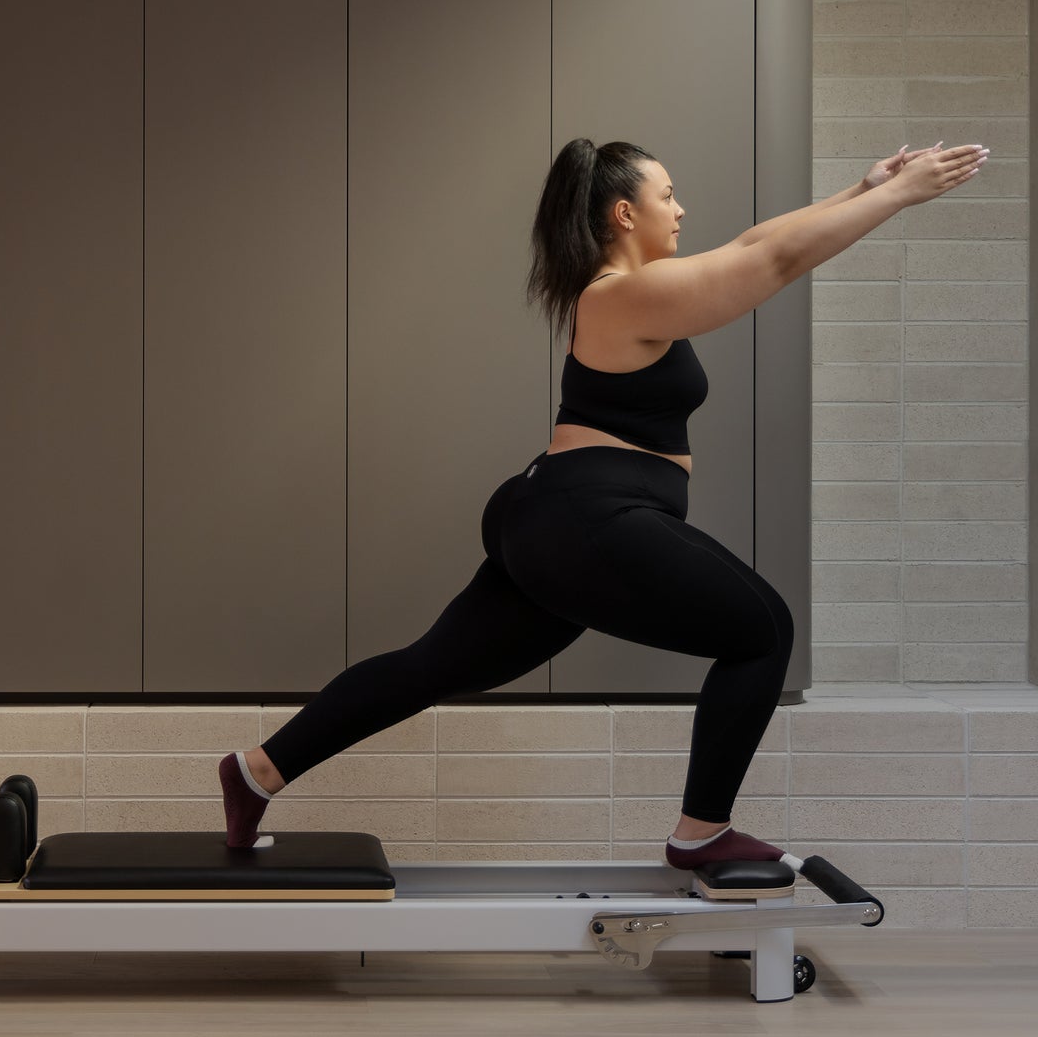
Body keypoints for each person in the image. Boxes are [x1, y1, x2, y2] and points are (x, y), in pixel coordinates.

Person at [218, 137, 989, 869]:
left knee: (432, 667)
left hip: (553, 515)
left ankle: (257, 772)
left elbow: (761, 239)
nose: (681, 209)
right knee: (763, 630)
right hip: (587, 519)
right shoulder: (621, 296)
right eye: (669, 194)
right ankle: (701, 833)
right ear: (625, 214)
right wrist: (902, 199)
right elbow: (771, 259)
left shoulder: (629, 295)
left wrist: (864, 189)